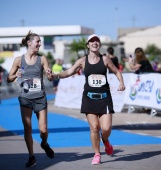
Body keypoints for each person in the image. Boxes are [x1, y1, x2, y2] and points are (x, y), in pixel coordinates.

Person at [52, 34, 125, 165]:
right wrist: (56, 75)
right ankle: (97, 154)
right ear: (88, 45)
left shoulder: (105, 59)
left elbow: (117, 72)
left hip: (104, 98)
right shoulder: (82, 61)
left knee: (106, 128)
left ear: (99, 44)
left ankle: (106, 141)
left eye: (97, 41)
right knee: (94, 127)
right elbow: (68, 72)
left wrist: (121, 83)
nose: (94, 43)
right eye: (92, 41)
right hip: (89, 98)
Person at [7, 31, 54, 168]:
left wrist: (50, 74)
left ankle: (44, 143)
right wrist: (15, 74)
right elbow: (8, 78)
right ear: (29, 43)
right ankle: (31, 156)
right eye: (37, 41)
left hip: (40, 97)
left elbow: (48, 73)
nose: (39, 44)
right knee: (27, 128)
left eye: (40, 42)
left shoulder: (42, 58)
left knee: (43, 130)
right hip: (25, 98)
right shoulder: (18, 60)